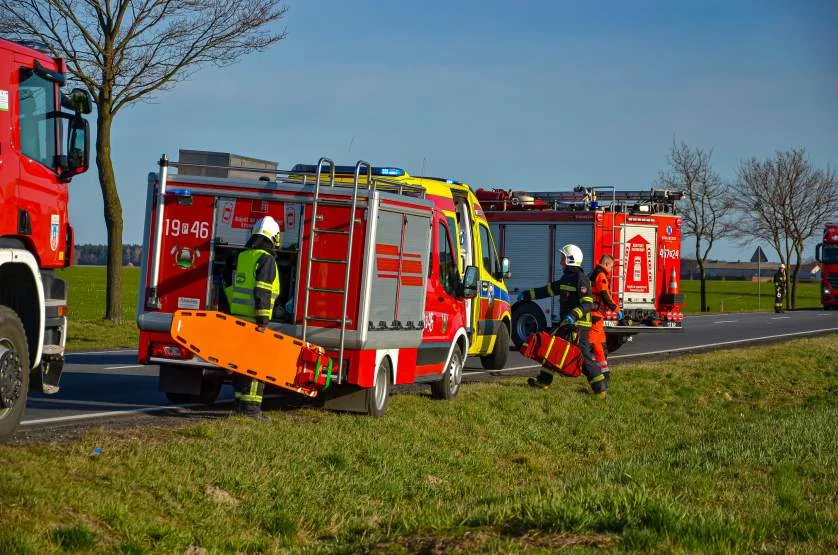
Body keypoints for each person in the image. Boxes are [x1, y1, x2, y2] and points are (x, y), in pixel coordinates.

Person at [517, 244, 607, 399]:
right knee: (553, 350)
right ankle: (543, 381)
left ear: (570, 259)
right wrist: (527, 295)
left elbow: (587, 303)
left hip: (579, 326)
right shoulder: (567, 278)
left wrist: (573, 315)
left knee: (583, 358)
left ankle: (600, 389)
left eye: (563, 258)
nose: (560, 262)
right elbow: (548, 290)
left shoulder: (581, 279)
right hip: (567, 324)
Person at [224, 216, 281, 419]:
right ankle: (251, 410)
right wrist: (263, 320)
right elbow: (262, 291)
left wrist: (232, 307)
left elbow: (229, 283)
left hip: (237, 319)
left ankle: (240, 404)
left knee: (240, 365)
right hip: (254, 323)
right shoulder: (267, 259)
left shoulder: (243, 256)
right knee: (256, 368)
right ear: (273, 237)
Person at [589, 254, 621, 387]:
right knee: (596, 346)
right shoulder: (601, 276)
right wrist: (616, 309)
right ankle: (600, 375)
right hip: (595, 315)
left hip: (597, 315)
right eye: (611, 267)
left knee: (602, 345)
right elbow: (605, 295)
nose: (611, 270)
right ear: (606, 264)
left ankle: (604, 373)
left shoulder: (595, 273)